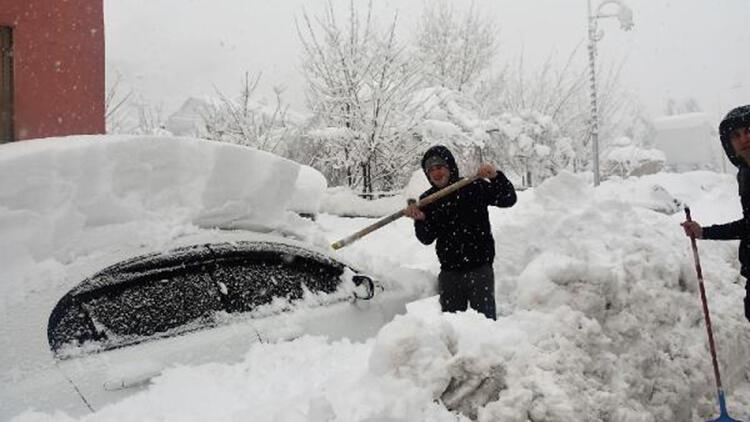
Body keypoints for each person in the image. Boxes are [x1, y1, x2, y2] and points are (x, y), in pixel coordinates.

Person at [404, 145, 517, 320]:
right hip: (450, 274)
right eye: (431, 170)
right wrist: (420, 219)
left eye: (440, 167)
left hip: (480, 270)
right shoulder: (428, 200)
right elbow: (426, 238)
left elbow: (508, 198)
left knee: (485, 326)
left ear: (450, 167)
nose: (436, 173)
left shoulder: (473, 186)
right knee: (454, 328)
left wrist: (495, 177)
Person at [681, 104, 750, 321]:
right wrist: (704, 232)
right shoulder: (745, 175)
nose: (743, 139)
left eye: (749, 131)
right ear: (730, 144)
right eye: (736, 135)